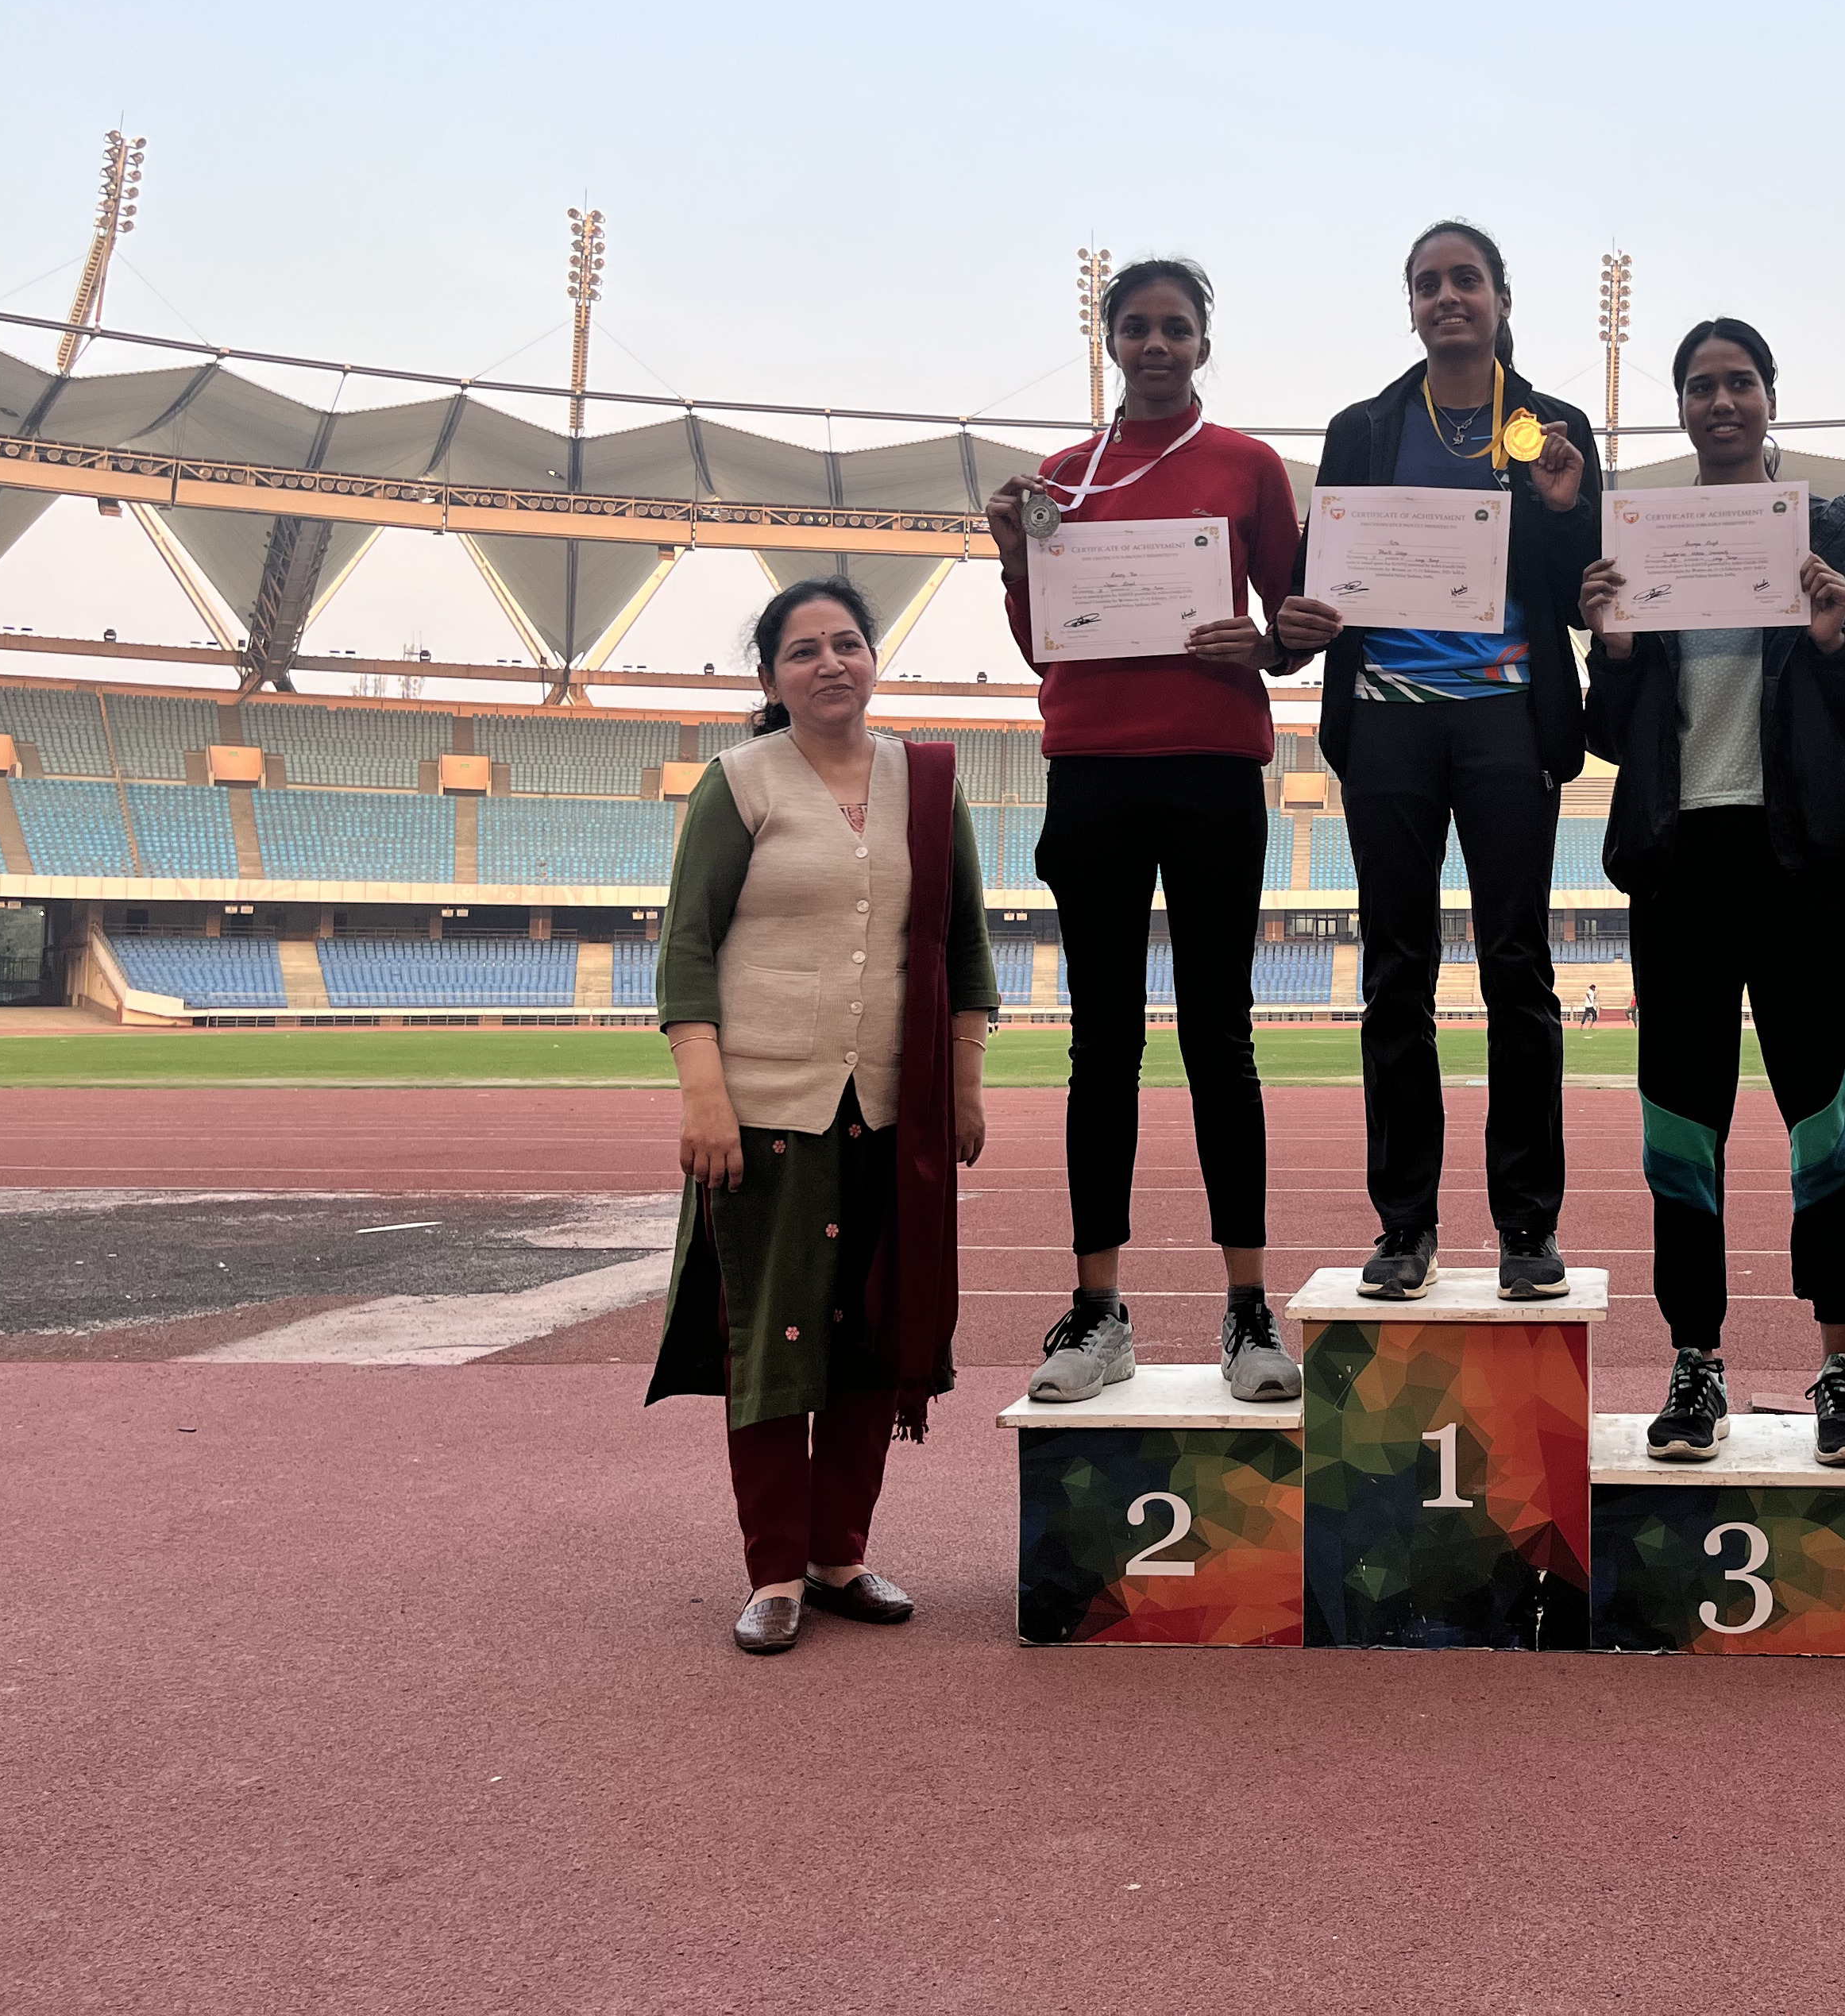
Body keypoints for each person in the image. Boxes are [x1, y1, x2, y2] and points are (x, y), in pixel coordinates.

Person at [648, 577, 1001, 1655]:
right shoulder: (738, 784)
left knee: (868, 1335)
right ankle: (772, 1573)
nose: (830, 664)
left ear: (873, 659)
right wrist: (704, 1094)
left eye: (847, 643)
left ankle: (841, 1552)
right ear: (770, 679)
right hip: (761, 1111)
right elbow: (687, 950)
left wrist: (965, 1084)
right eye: (803, 652)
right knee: (767, 1341)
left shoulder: (928, 783)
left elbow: (969, 949)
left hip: (890, 1113)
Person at [1581, 317, 1845, 1467]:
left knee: (1826, 1122)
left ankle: (1840, 1369)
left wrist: (1832, 638)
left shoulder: (1832, 537)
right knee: (1682, 1126)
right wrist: (1611, 649)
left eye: (1739, 383)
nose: (1720, 402)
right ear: (1681, 408)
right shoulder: (1647, 542)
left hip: (1804, 862)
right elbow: (1605, 737)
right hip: (1680, 866)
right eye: (1701, 387)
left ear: (1771, 398)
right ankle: (1696, 1363)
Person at [987, 257, 1304, 1406]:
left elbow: (1293, 620)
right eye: (1138, 327)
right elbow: (1044, 646)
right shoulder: (1059, 482)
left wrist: (1271, 648)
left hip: (1215, 771)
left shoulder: (1250, 466)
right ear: (1110, 341)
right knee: (1100, 1043)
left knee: (1221, 1034)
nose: (1158, 343)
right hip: (1093, 776)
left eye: (1177, 327)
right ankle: (1097, 1306)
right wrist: (1018, 556)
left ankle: (1249, 1306)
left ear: (1203, 344)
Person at [1269, 219, 1598, 1301]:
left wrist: (1563, 510)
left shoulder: (1555, 427)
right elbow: (1324, 577)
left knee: (1520, 974)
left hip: (1508, 717)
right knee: (1395, 975)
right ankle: (1404, 1225)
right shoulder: (1362, 430)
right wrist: (1304, 619)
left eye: (1466, 280)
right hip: (1390, 721)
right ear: (1409, 305)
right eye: (1427, 284)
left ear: (1502, 296)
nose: (1447, 296)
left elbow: (1590, 581)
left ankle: (1526, 1231)